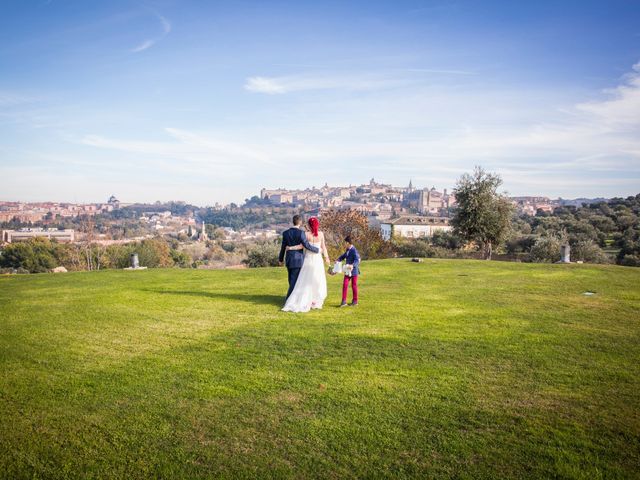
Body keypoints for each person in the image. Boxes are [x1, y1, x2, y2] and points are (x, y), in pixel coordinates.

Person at [281, 217, 331, 312]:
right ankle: (315, 300)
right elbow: (324, 247)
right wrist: (326, 258)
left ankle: (306, 298)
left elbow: (302, 246)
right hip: (318, 260)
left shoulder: (306, 234)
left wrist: (290, 248)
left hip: (308, 259)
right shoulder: (321, 234)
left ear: (309, 225)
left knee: (306, 280)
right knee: (317, 279)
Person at [279, 215, 320, 300]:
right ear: (300, 222)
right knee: (294, 281)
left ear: (293, 222)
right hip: (298, 260)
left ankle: (293, 297)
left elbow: (283, 247)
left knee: (291, 280)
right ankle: (289, 299)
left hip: (289, 260)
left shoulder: (285, 233)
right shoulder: (301, 233)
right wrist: (317, 250)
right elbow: (307, 245)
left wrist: (280, 259)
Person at [337, 236, 360, 307]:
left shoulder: (354, 250)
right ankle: (343, 302)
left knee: (354, 286)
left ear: (348, 242)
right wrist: (338, 260)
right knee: (345, 285)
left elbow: (357, 260)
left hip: (354, 271)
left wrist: (352, 265)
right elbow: (343, 256)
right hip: (347, 270)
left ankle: (355, 301)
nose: (344, 244)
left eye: (345, 242)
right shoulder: (348, 249)